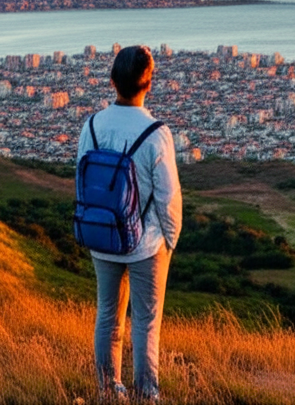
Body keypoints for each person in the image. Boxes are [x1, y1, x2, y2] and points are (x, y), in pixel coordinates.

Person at [77, 45, 182, 402]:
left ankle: (108, 391)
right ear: (148, 83)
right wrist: (170, 240)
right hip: (147, 244)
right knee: (146, 324)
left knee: (107, 316)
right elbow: (168, 197)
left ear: (112, 81)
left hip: (102, 236)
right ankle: (146, 396)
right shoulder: (155, 133)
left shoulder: (91, 126)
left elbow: (82, 179)